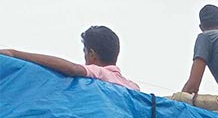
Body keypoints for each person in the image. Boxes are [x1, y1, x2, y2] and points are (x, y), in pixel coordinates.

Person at [0, 26, 139, 90]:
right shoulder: (133, 87)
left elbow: (72, 69)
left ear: (91, 54)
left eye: (85, 52)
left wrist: (15, 54)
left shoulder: (100, 73)